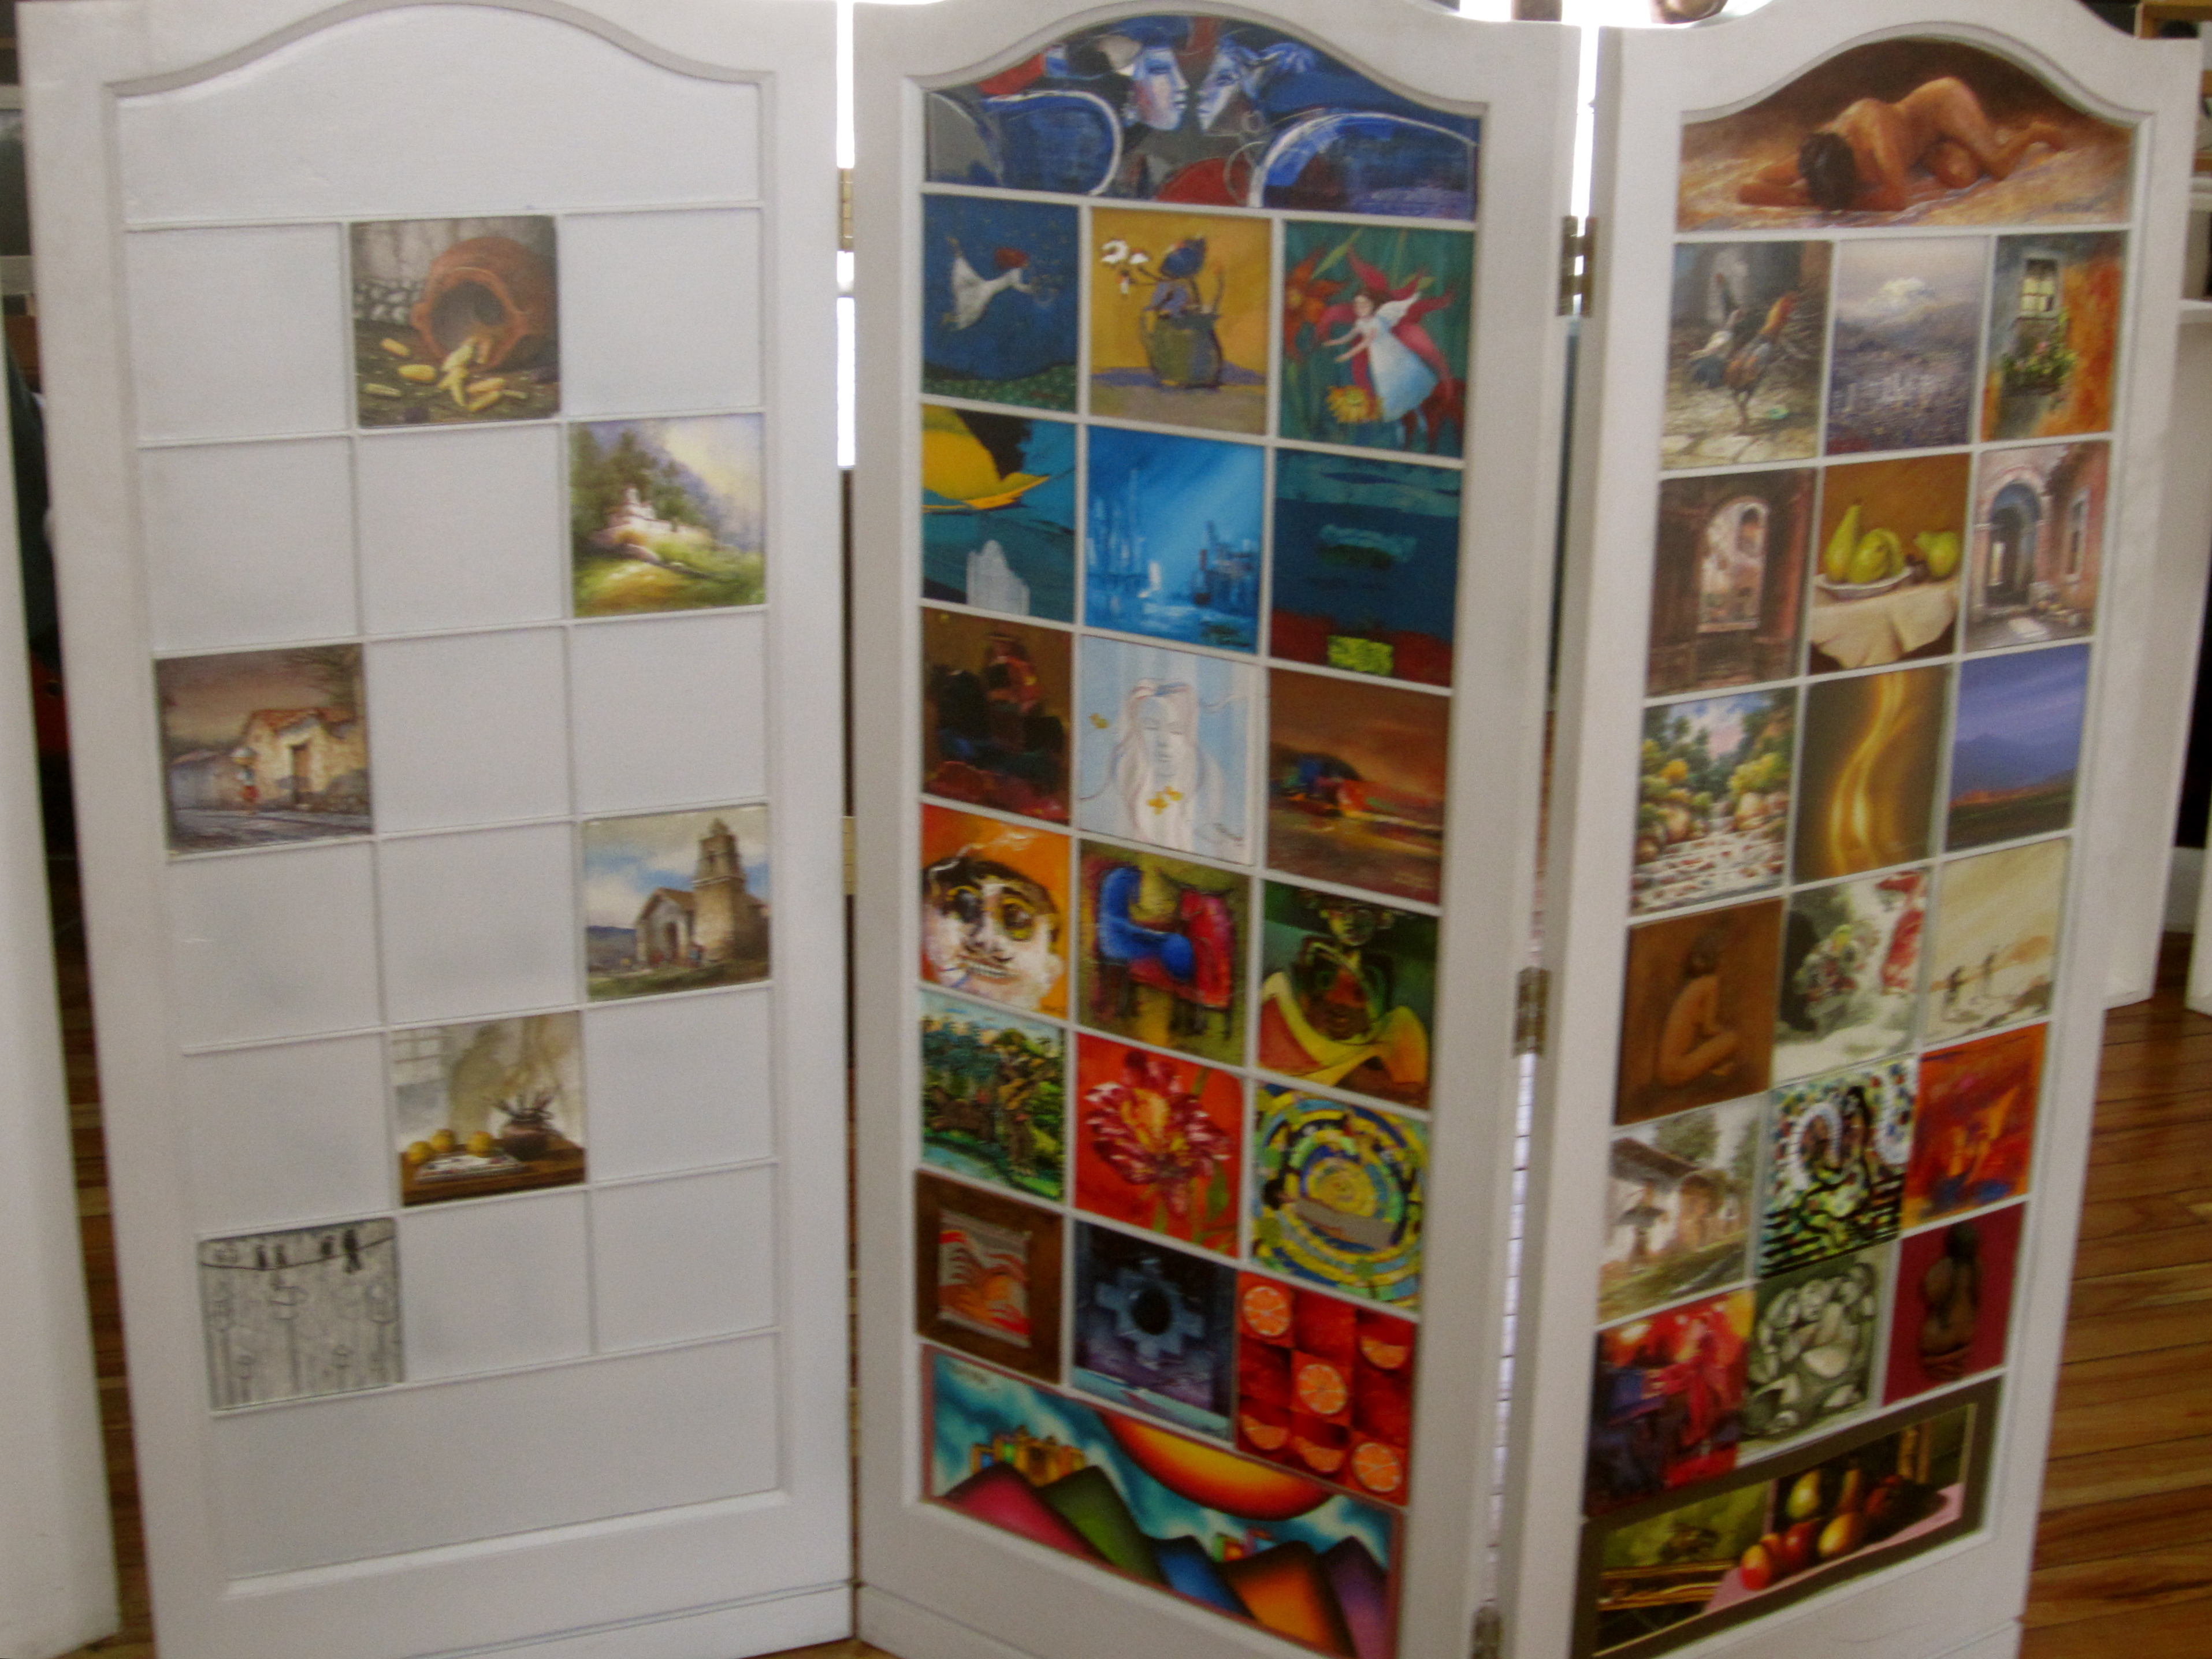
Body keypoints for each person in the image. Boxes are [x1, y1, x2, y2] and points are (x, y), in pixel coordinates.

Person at [1738, 76, 2069, 214]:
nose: (1863, 180)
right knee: (1961, 177)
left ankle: (2033, 133)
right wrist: (1800, 197)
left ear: (1855, 152)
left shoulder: (1875, 128)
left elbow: (1897, 199)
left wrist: (1833, 202)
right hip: (1921, 145)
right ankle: (1965, 145)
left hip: (1943, 104)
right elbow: (1748, 188)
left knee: (1998, 168)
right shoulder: (1823, 153)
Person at [1656, 928, 1743, 1088]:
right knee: (1733, 1038)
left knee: (1724, 1040)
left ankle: (1716, 1069)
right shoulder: (1710, 983)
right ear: (1716, 958)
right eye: (1724, 956)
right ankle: (1717, 1070)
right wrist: (1729, 1033)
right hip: (1677, 1071)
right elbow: (1708, 1029)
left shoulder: (1694, 985)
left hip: (1666, 1072)